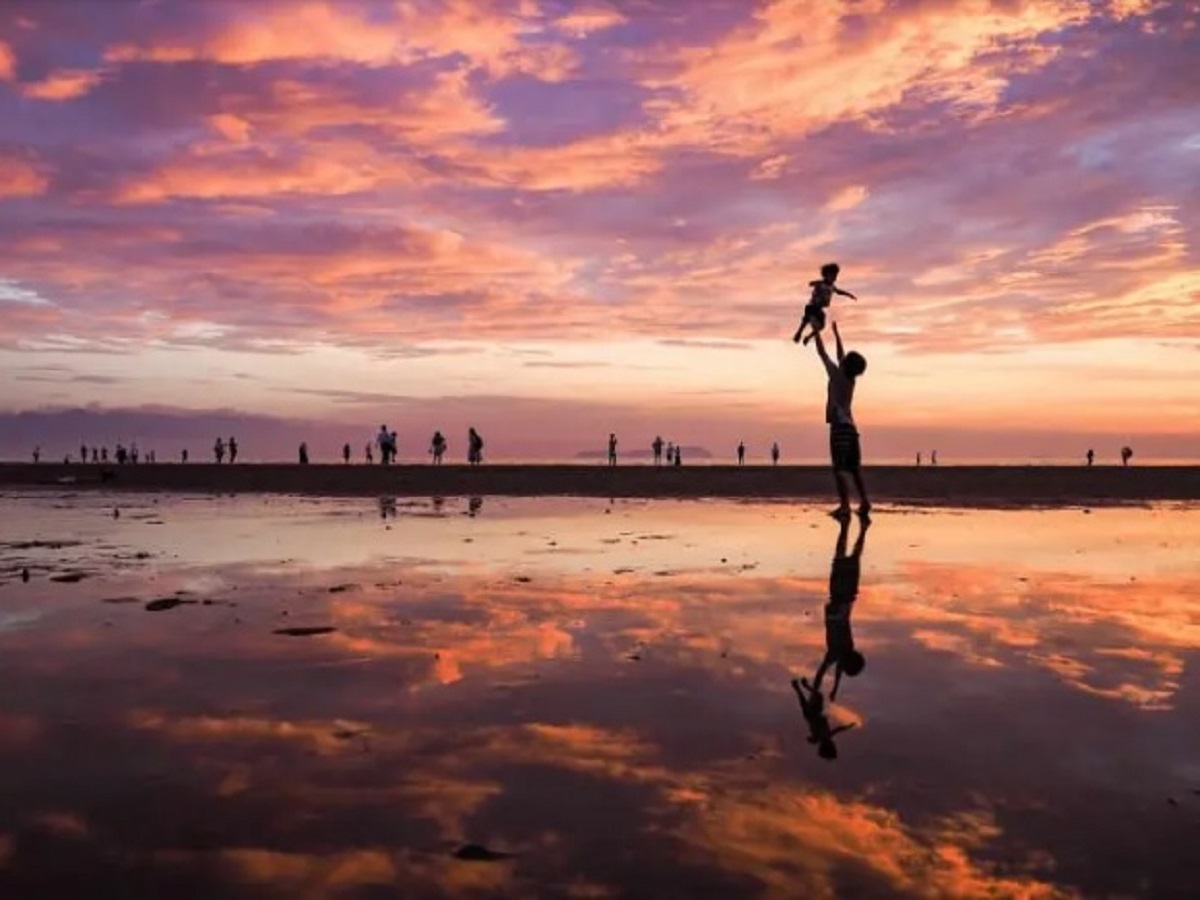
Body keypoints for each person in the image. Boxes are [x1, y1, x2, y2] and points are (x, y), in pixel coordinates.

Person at [811, 321, 870, 519]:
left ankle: (845, 506)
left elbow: (822, 353)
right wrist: (836, 334)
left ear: (845, 365)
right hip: (852, 428)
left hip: (839, 427)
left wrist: (816, 331)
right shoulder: (850, 379)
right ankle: (865, 502)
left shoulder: (836, 375)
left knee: (840, 469)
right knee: (854, 468)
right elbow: (840, 355)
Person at [793, 262, 857, 346]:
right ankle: (799, 333)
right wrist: (814, 283)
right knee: (807, 319)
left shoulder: (832, 287)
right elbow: (812, 283)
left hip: (820, 309)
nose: (835, 278)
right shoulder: (821, 284)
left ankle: (808, 337)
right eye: (833, 276)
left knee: (821, 327)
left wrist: (849, 295)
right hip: (812, 306)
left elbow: (839, 292)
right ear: (826, 275)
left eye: (835, 276)